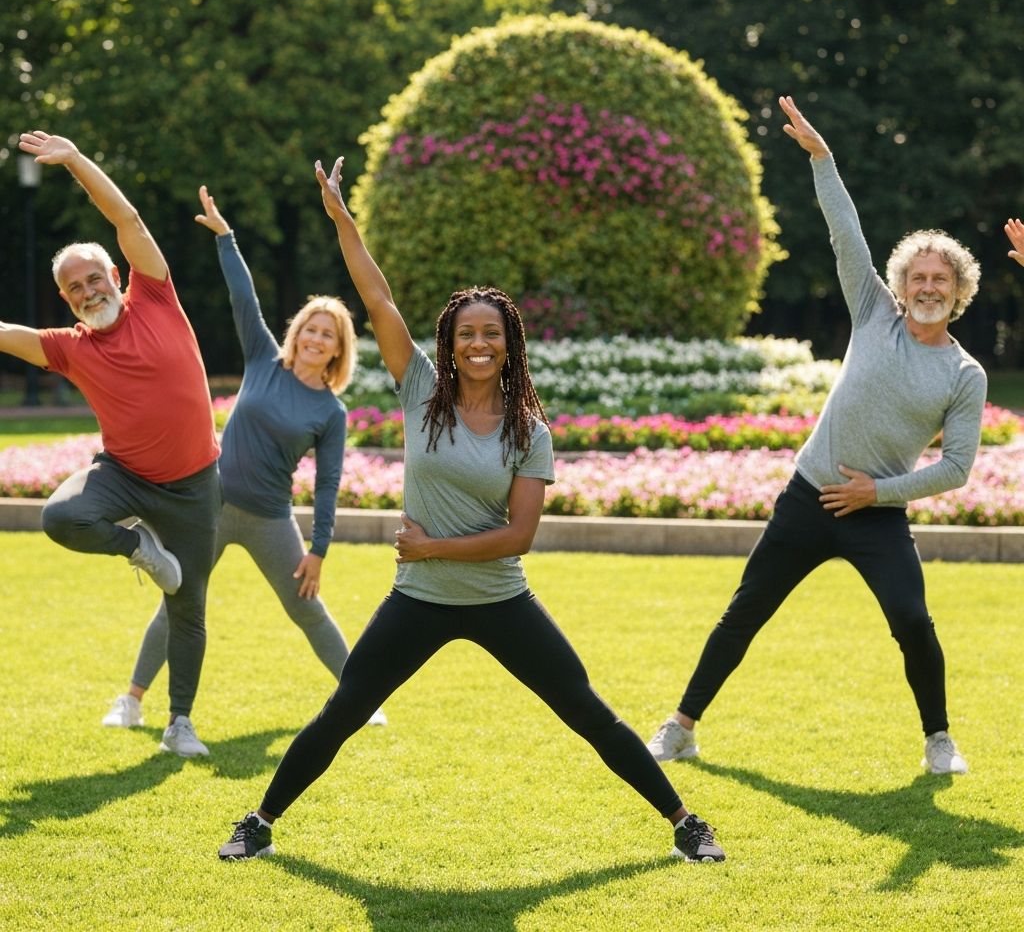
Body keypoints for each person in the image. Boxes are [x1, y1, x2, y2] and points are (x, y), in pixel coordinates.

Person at [217, 154, 725, 863]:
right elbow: (378, 300)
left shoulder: (530, 432)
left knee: (584, 708)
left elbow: (517, 537)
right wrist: (341, 221)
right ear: (449, 345)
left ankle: (684, 823)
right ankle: (260, 823)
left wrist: (432, 549)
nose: (479, 344)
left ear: (508, 345)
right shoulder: (420, 390)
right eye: (466, 335)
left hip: (497, 598)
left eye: (491, 334)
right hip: (418, 600)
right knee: (345, 710)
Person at [647, 96, 986, 777]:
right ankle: (680, 728)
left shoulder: (964, 373)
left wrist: (877, 493)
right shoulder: (873, 312)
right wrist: (823, 160)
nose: (926, 286)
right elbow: (845, 235)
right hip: (808, 497)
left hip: (876, 515)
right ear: (900, 284)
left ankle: (939, 742)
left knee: (912, 622)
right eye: (917, 277)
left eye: (939, 280)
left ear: (958, 292)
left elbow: (956, 469)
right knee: (745, 613)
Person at [101, 186, 385, 733]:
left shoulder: (331, 411)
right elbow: (242, 300)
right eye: (311, 328)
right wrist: (227, 239)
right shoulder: (262, 359)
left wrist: (320, 550)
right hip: (208, 505)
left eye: (328, 334)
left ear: (337, 349)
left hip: (270, 519)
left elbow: (328, 486)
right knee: (177, 602)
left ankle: (361, 700)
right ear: (297, 332)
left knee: (306, 608)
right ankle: (131, 701)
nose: (316, 338)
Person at [5, 130, 222, 757]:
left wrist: (74, 161)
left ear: (115, 277)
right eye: (75, 288)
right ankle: (139, 547)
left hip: (193, 486)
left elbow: (125, 218)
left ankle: (179, 723)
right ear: (66, 299)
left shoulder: (155, 294)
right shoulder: (69, 347)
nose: (88, 290)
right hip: (124, 475)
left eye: (95, 277)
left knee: (188, 602)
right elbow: (6, 334)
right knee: (60, 515)